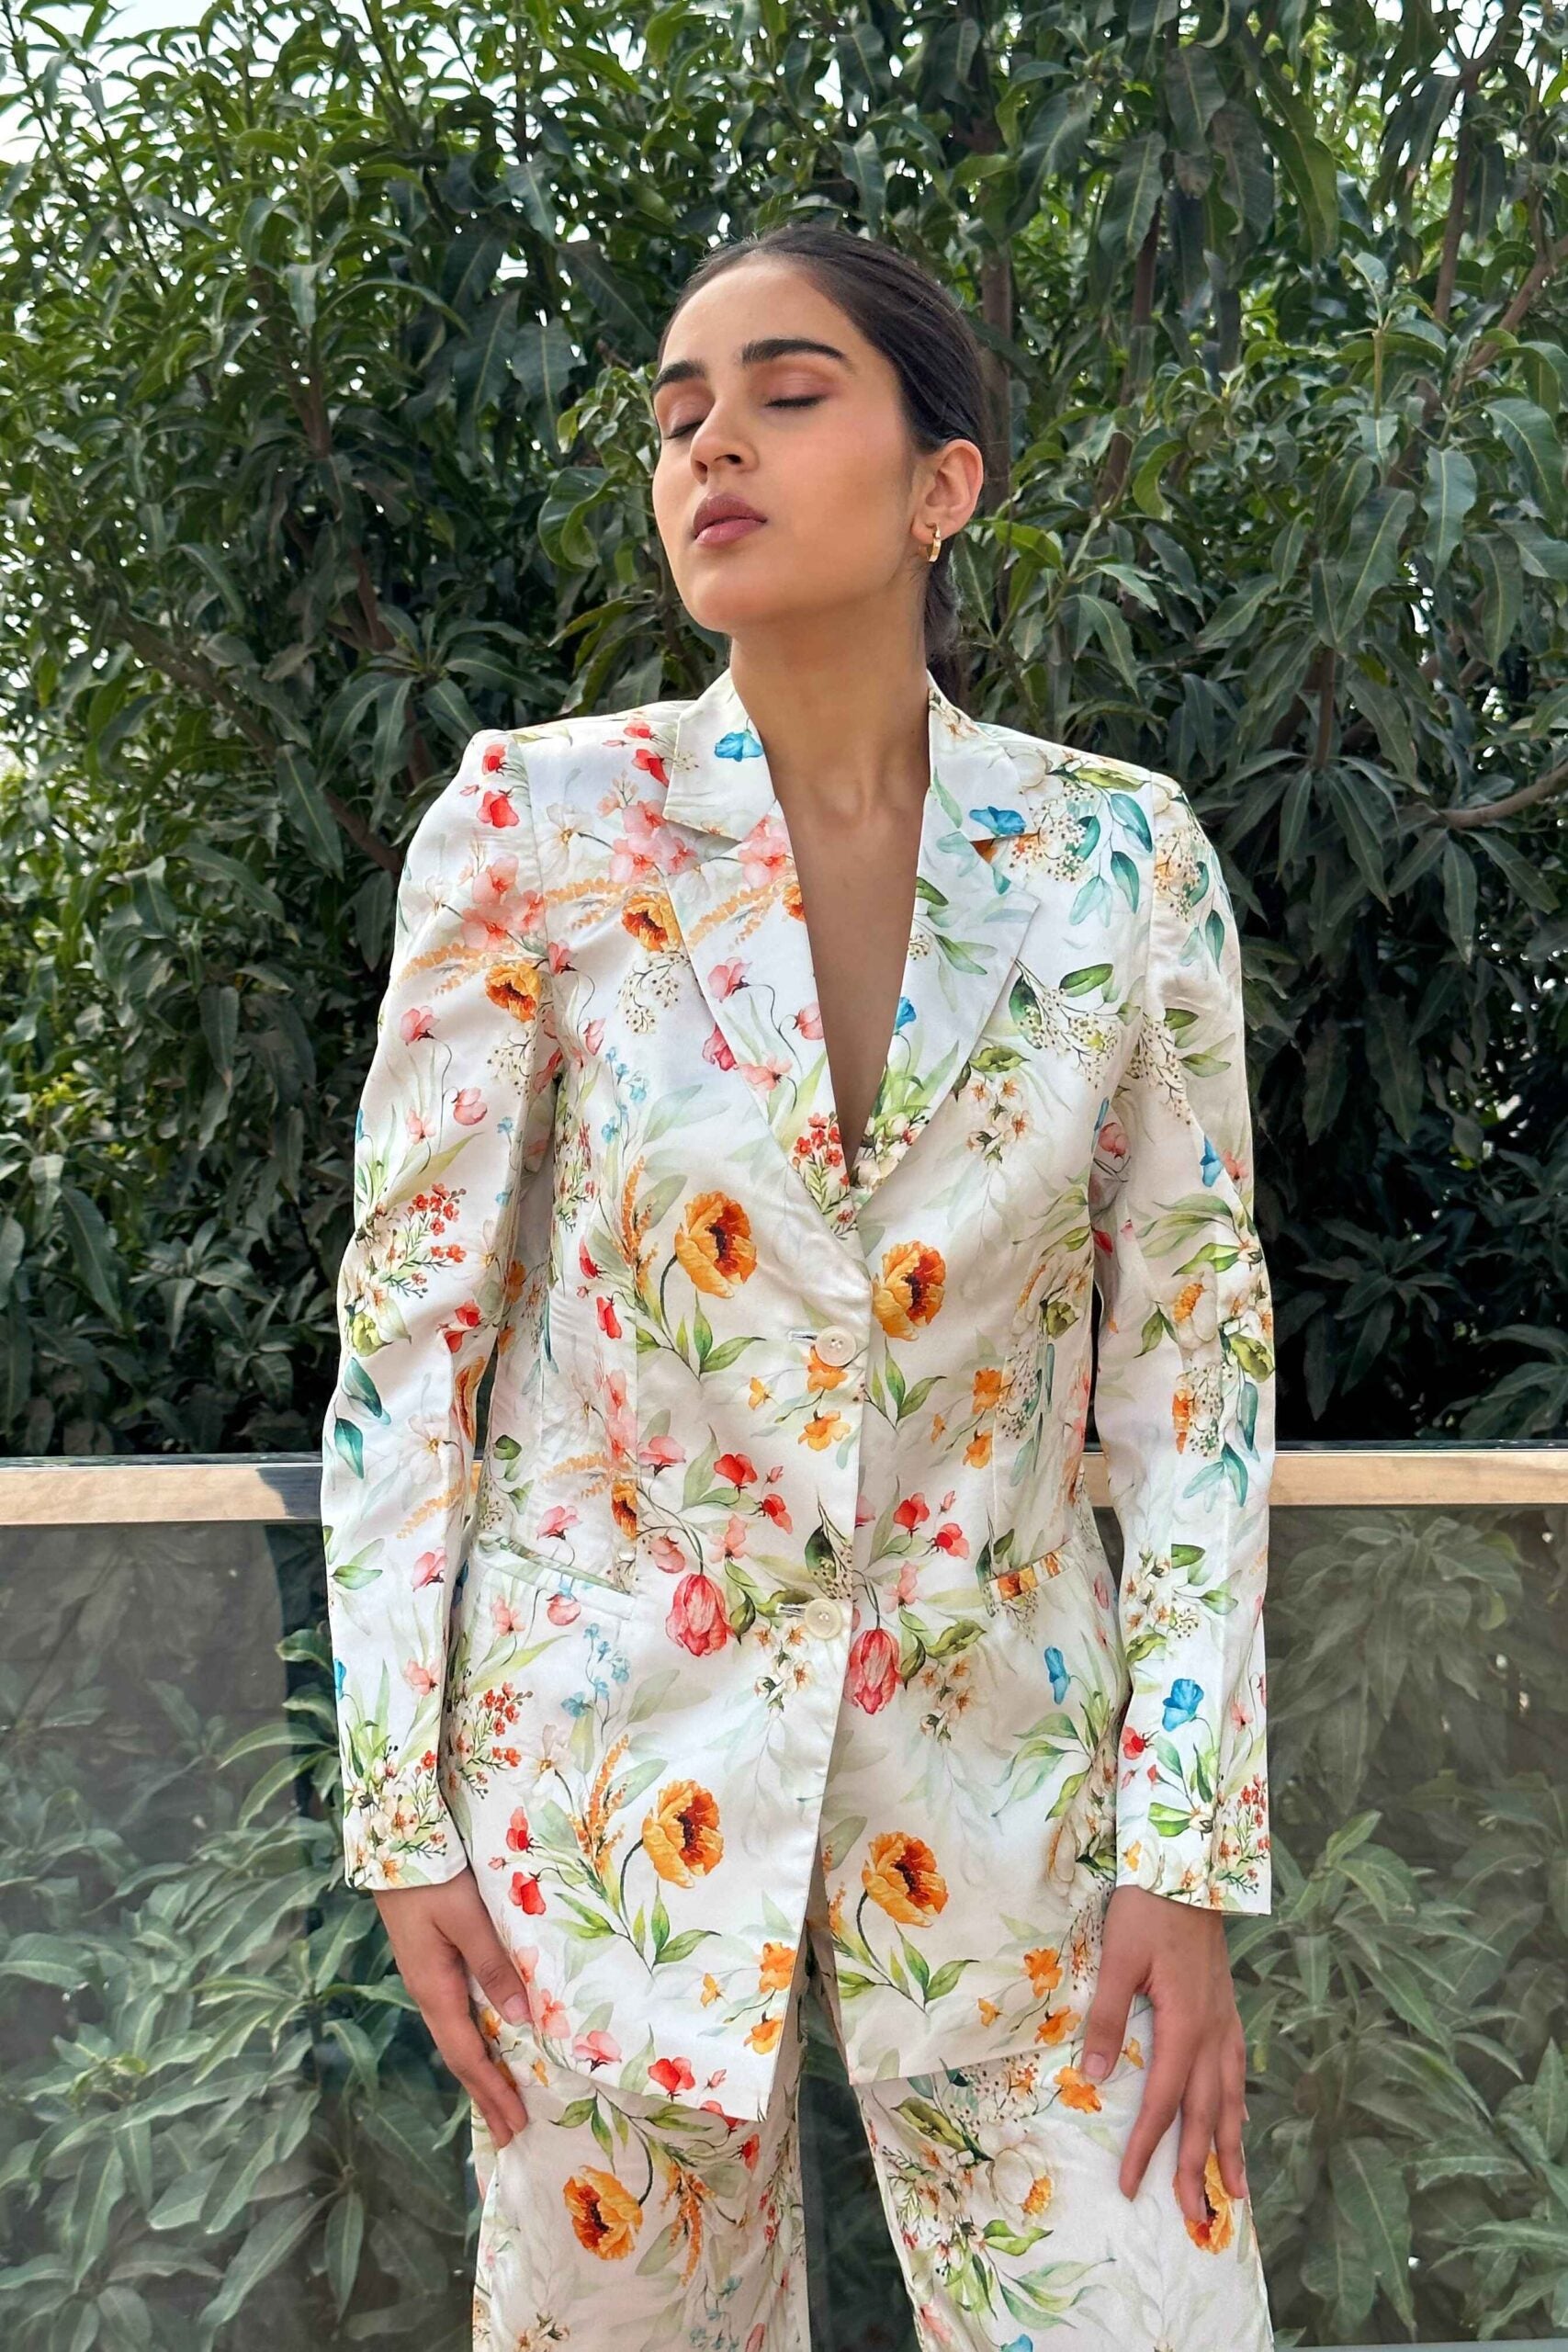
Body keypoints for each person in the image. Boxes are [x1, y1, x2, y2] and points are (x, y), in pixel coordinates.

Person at [321, 220, 1277, 2351]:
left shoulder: (1120, 860)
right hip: (599, 1806)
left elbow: (1193, 1383)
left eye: (783, 389)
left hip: (1026, 1803)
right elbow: (411, 1344)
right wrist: (402, 1820)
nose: (709, 445)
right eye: (677, 415)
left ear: (942, 482)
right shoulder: (536, 829)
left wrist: (1184, 1850)